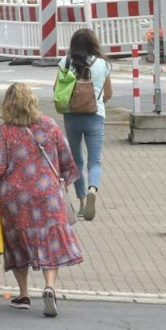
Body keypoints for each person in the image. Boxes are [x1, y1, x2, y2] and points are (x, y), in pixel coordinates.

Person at [0, 82, 83, 317]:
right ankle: (49, 286)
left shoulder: (4, 131)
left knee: (17, 243)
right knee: (50, 240)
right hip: (47, 195)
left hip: (16, 199)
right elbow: (66, 157)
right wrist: (60, 179)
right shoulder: (48, 124)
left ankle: (23, 294)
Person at [59, 28, 113, 221]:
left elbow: (58, 90)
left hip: (71, 116)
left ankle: (81, 203)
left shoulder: (65, 62)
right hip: (95, 116)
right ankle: (92, 189)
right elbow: (108, 94)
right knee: (94, 161)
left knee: (76, 160)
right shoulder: (103, 64)